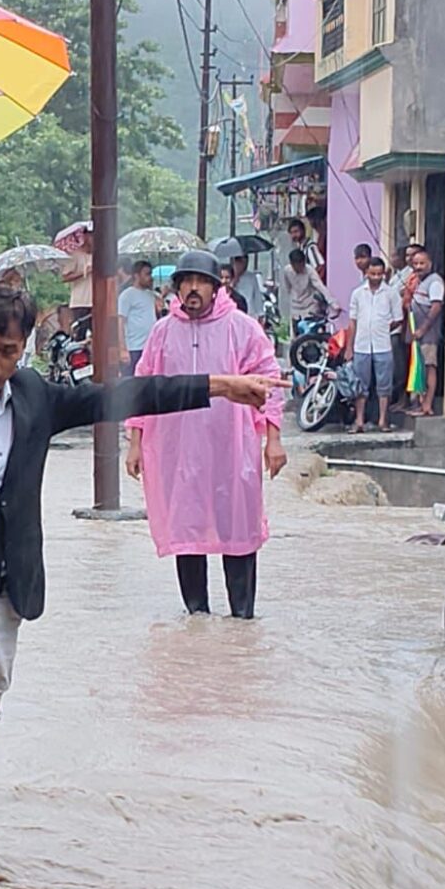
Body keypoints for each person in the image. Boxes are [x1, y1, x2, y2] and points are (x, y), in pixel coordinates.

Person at [0, 281, 278, 880]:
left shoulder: (34, 397)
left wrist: (222, 386)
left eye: (7, 351)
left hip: (3, 597)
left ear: (24, 349)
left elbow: (122, 395)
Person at [125, 250, 286, 620]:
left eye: (201, 282)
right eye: (186, 282)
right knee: (187, 528)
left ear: (217, 287)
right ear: (177, 288)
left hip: (232, 449)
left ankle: (242, 623)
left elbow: (269, 383)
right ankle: (197, 621)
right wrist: (134, 443)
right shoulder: (162, 332)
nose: (193, 289)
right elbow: (143, 387)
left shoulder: (242, 328)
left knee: (238, 528)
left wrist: (273, 440)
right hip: (179, 452)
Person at [346, 255, 403, 433]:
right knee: (360, 386)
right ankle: (360, 421)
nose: (376, 277)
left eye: (380, 274)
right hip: (362, 345)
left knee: (384, 385)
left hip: (383, 345)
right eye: (373, 274)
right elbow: (352, 322)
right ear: (367, 273)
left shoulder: (391, 293)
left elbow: (398, 318)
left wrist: (385, 327)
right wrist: (349, 347)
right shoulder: (357, 294)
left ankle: (383, 420)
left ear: (384, 274)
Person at [406, 246, 445, 418]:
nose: (419, 266)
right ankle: (421, 404)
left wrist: (423, 329)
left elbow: (436, 307)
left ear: (430, 264)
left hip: (428, 334)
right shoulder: (421, 281)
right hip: (418, 334)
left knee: (429, 368)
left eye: (422, 263)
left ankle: (427, 405)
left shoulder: (435, 281)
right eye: (416, 263)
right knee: (420, 369)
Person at [117, 259, 158, 374]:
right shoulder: (127, 295)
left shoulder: (151, 295)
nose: (150, 277)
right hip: (133, 348)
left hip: (149, 346)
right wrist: (122, 349)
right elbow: (120, 322)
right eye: (147, 274)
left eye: (151, 274)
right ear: (136, 276)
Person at [280, 247, 331, 329]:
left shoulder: (310, 270)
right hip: (295, 307)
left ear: (304, 263)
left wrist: (332, 301)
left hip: (310, 306)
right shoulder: (287, 271)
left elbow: (319, 286)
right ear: (291, 264)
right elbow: (288, 287)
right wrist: (293, 297)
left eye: (300, 266)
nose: (298, 269)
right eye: (295, 266)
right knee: (297, 334)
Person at [60, 228, 93, 335]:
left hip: (96, 302)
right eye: (91, 235)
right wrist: (85, 272)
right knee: (80, 334)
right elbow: (64, 277)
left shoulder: (99, 256)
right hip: (80, 302)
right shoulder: (75, 255)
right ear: (85, 236)